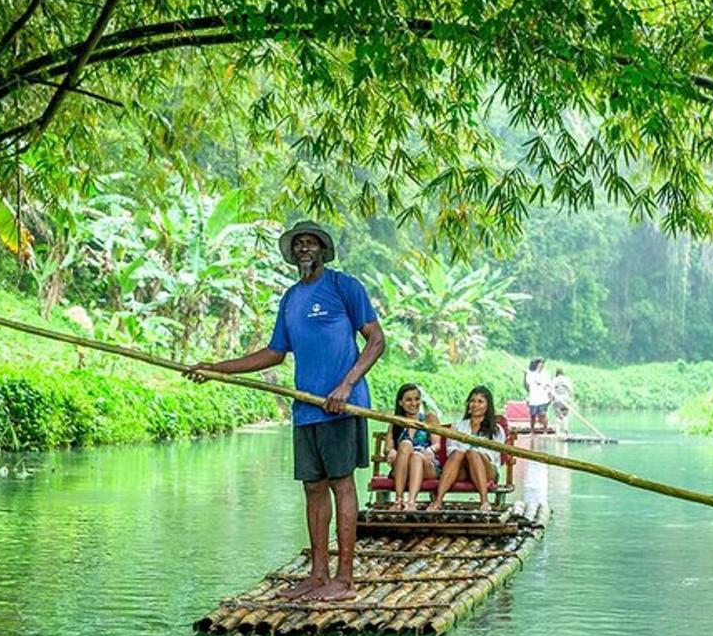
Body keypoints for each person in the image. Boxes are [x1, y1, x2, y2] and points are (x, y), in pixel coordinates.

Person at [185, 220, 385, 601]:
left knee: (342, 484)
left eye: (311, 243)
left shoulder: (344, 287)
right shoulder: (291, 299)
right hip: (307, 408)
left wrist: (346, 385)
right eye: (299, 245)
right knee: (313, 487)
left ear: (323, 251)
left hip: (342, 407)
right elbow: (274, 353)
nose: (304, 249)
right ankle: (317, 575)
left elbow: (376, 341)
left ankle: (344, 580)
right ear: (293, 253)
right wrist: (217, 369)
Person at [429, 386, 506, 513]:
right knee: (458, 453)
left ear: (488, 406)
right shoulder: (459, 425)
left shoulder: (496, 429)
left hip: (487, 470)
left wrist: (472, 454)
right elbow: (450, 449)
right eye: (472, 401)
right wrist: (465, 454)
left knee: (473, 454)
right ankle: (438, 501)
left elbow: (492, 456)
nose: (475, 404)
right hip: (463, 469)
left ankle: (484, 502)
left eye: (480, 401)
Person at [384, 383, 441, 512]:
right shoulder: (396, 422)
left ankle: (411, 502)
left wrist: (430, 449)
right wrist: (392, 451)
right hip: (402, 466)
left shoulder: (428, 418)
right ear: (401, 403)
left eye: (416, 399)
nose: (413, 403)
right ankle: (398, 500)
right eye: (408, 400)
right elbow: (388, 447)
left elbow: (437, 444)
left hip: (426, 464)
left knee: (416, 456)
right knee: (405, 444)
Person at [524, 358, 551, 433]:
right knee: (532, 416)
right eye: (540, 363)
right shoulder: (531, 373)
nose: (541, 365)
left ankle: (545, 431)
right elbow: (527, 384)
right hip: (533, 398)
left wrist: (543, 384)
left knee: (543, 415)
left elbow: (548, 384)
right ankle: (532, 431)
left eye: (542, 363)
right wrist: (525, 375)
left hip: (543, 398)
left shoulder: (546, 373)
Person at [551, 367, 575, 437]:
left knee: (558, 416)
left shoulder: (554, 380)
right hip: (566, 399)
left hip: (557, 400)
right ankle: (566, 430)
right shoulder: (567, 379)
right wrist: (571, 400)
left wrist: (552, 400)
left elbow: (552, 390)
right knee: (565, 415)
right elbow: (571, 391)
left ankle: (558, 432)